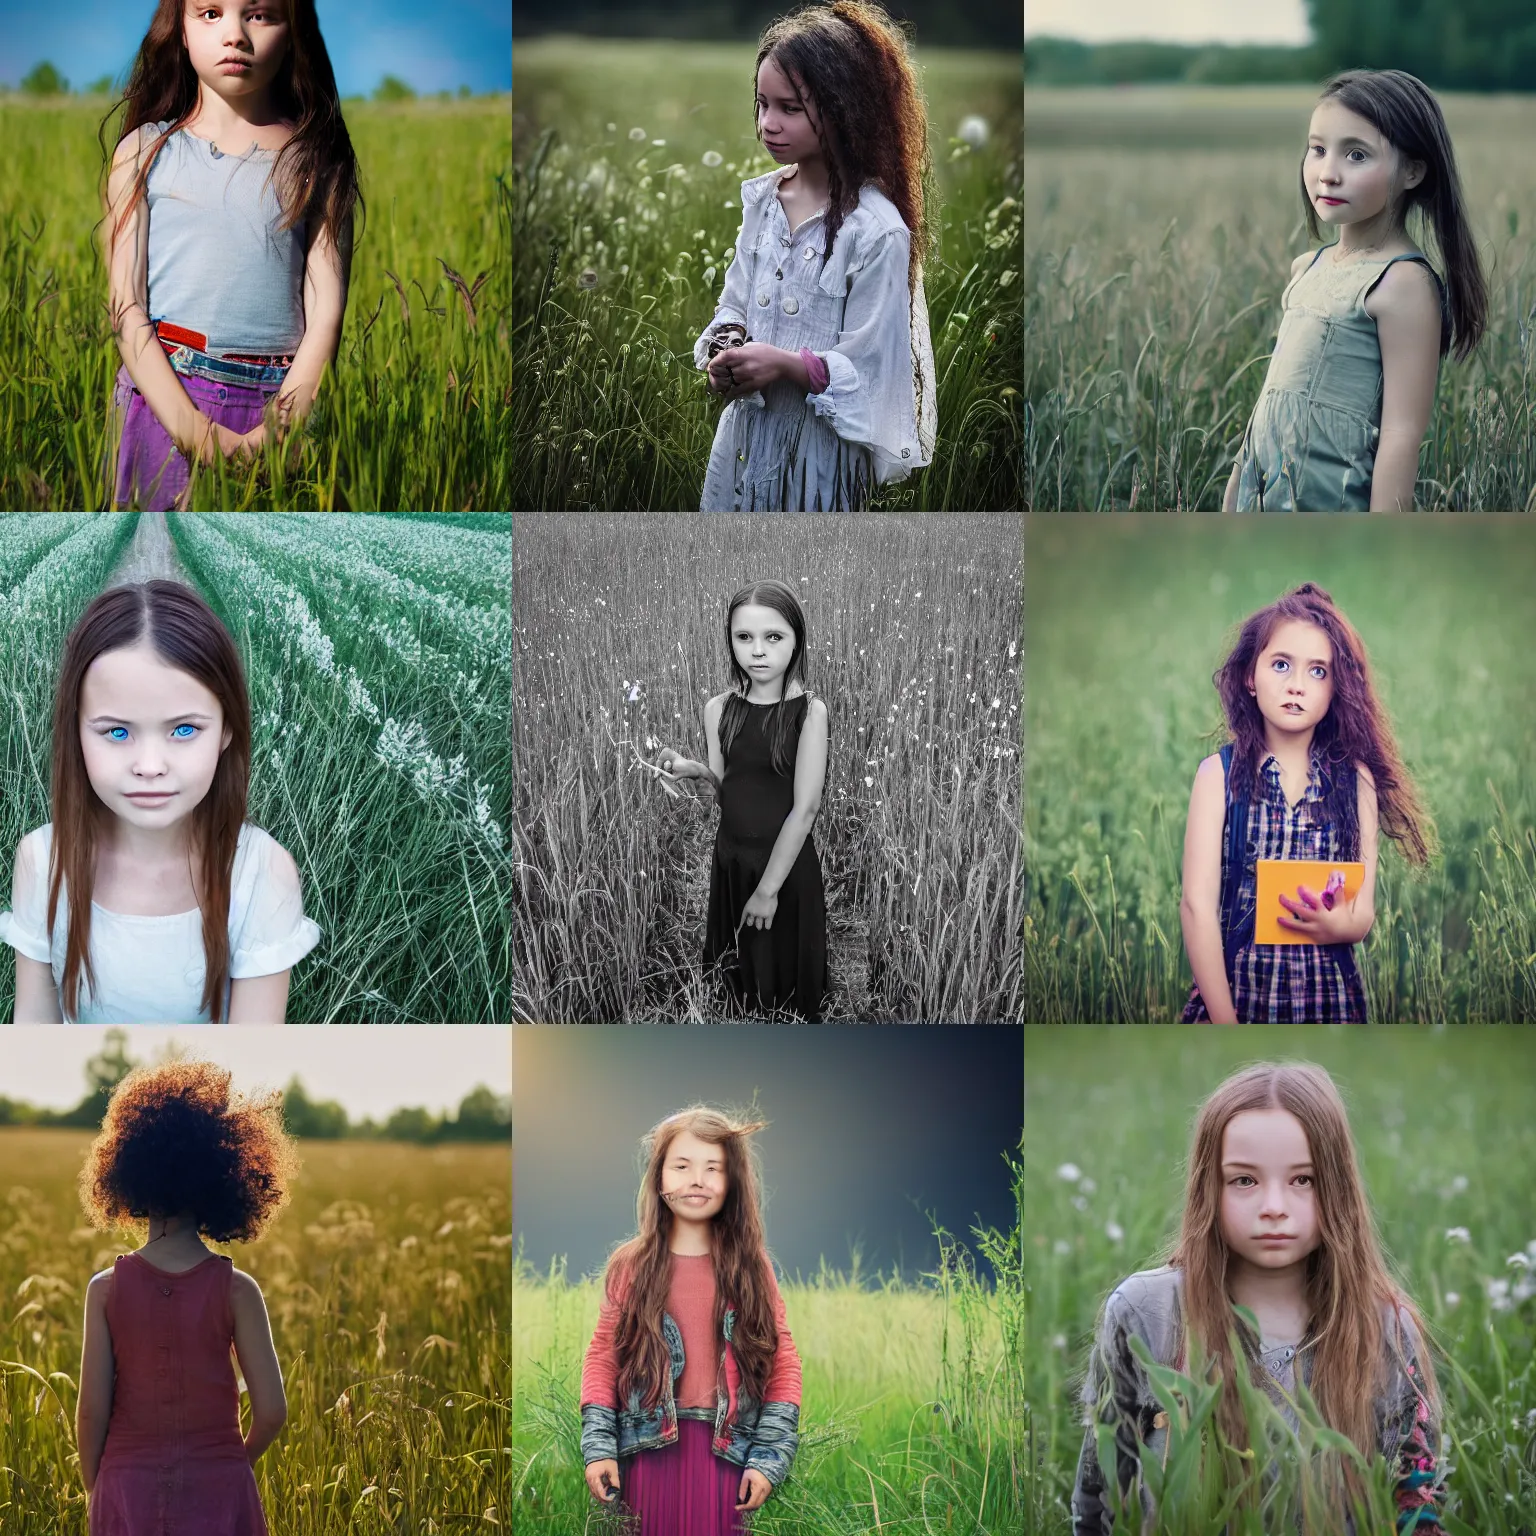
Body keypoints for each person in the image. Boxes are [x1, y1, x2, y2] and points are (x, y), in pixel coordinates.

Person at [1071, 1062, 1446, 1535]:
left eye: (1302, 1180)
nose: (1273, 1206)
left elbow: (1419, 1500)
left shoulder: (1385, 1326)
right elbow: (1099, 1493)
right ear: (1210, 1186)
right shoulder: (1147, 1312)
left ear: (1338, 1188)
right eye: (1244, 1180)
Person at [0, 580, 321, 1023]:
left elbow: (253, 1072)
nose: (149, 766)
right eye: (117, 732)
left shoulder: (261, 874)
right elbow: (33, 1040)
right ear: (76, 732)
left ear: (227, 730)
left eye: (184, 730)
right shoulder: (43, 861)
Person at [98, 0, 362, 509]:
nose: (236, 34)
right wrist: (196, 433)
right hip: (163, 399)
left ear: (292, 32)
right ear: (180, 30)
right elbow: (125, 308)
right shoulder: (144, 150)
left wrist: (277, 432)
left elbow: (327, 314)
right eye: (211, 13)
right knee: (157, 575)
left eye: (260, 15)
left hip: (281, 405)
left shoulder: (316, 159)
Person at [694, 0, 938, 510]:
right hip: (745, 442)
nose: (767, 124)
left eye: (790, 108)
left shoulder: (876, 232)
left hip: (819, 456)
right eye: (761, 104)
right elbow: (733, 305)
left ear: (843, 108)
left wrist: (783, 364)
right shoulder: (762, 202)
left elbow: (870, 370)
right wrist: (727, 351)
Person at [1223, 69, 1486, 511]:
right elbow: (1270, 403)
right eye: (1318, 150)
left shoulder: (1403, 283)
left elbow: (1402, 434)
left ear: (1413, 171)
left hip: (1332, 504)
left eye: (1357, 155)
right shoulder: (1307, 266)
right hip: (1265, 497)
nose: (1327, 173)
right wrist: (1232, 499)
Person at [1179, 581, 1433, 1023]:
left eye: (1318, 671)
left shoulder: (1357, 783)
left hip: (1328, 1001)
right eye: (1281, 665)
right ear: (1249, 676)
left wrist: (1336, 926)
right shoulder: (1217, 776)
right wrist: (1225, 1022)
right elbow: (1197, 907)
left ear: (1337, 689)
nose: (1297, 685)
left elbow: (1362, 913)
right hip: (1239, 996)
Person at [76, 1058, 297, 1535]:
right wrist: (232, 1463)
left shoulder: (106, 1290)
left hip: (125, 1487)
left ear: (129, 1173)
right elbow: (273, 1412)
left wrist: (98, 1487)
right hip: (220, 1489)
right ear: (224, 1179)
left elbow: (92, 1408)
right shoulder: (238, 1290)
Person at [580, 1106, 802, 1533]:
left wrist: (769, 1457)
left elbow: (783, 1362)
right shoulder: (630, 1266)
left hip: (728, 1460)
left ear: (731, 1181)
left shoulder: (753, 1267)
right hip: (646, 1454)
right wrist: (599, 1447)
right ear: (659, 1177)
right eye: (681, 1166)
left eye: (713, 1168)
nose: (696, 1179)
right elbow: (603, 1358)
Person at [651, 580, 829, 1020]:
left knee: (783, 980)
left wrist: (769, 890)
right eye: (744, 637)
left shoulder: (809, 712)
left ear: (796, 641)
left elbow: (805, 810)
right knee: (736, 972)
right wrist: (693, 770)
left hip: (783, 865)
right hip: (732, 858)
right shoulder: (718, 709)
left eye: (774, 637)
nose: (758, 651)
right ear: (730, 642)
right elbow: (722, 792)